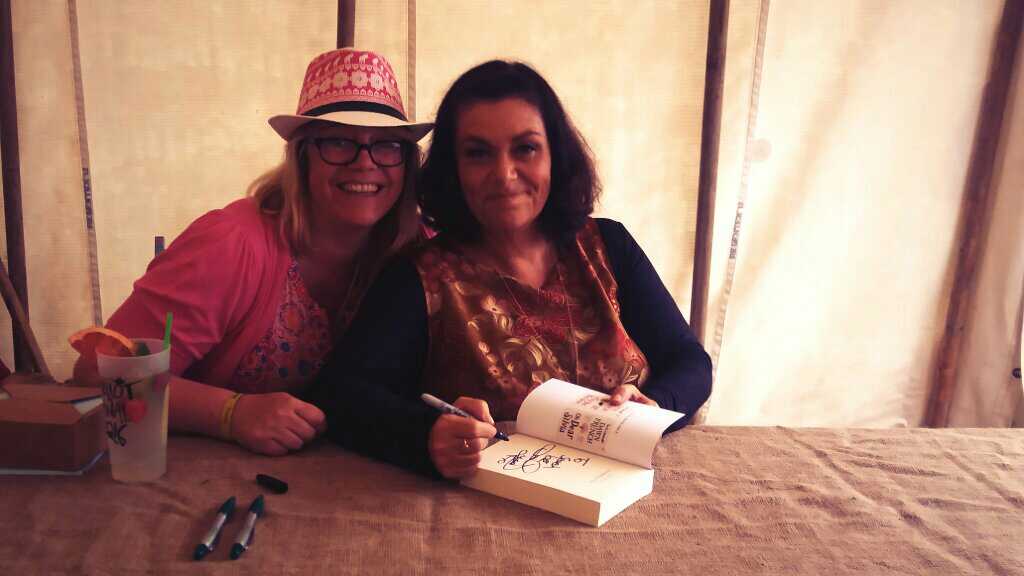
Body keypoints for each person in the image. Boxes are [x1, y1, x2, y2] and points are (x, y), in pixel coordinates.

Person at [308, 60, 712, 478]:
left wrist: (657, 404)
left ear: (556, 155)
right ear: (453, 167)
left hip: (636, 491)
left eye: (526, 148)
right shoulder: (422, 277)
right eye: (478, 153)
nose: (504, 174)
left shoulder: (609, 246)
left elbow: (690, 362)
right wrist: (424, 434)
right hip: (494, 519)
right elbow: (340, 395)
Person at [76, 48, 433, 456]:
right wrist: (231, 413)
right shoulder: (230, 244)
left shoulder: (418, 249)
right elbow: (98, 377)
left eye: (387, 145)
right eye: (338, 142)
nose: (365, 163)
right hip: (207, 478)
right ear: (302, 157)